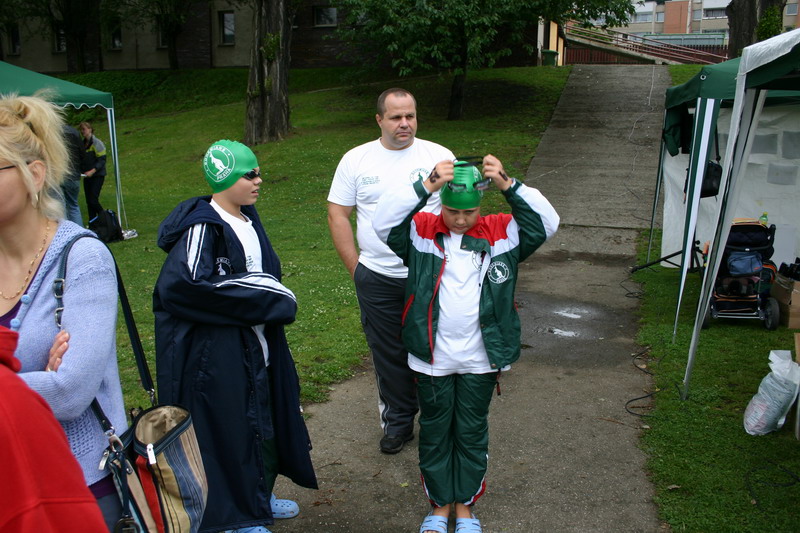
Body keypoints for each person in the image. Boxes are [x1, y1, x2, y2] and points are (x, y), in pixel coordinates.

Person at [372, 155, 559, 533]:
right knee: (436, 432)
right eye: (452, 211)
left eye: (469, 212)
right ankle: (440, 506)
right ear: (440, 203)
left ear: (481, 204)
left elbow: (548, 222)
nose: (460, 220)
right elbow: (383, 222)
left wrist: (508, 185)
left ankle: (466, 506)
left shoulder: (503, 232)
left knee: (471, 431)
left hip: (481, 358)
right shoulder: (421, 230)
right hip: (432, 358)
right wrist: (426, 185)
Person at [153, 139, 317, 532]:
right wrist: (272, 297)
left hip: (259, 345)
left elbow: (259, 275)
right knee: (230, 429)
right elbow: (183, 286)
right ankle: (236, 515)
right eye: (250, 174)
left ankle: (258, 496)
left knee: (265, 420)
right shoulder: (203, 226)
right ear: (223, 177)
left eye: (258, 172)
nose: (259, 180)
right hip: (219, 354)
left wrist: (267, 296)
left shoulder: (248, 219)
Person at [0, 93, 127, 530]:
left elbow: (71, 391)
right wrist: (37, 378)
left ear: (34, 174)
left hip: (77, 486)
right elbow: (53, 386)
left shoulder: (82, 258)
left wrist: (14, 382)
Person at [327, 87, 455, 454]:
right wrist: (356, 268)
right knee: (388, 354)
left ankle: (437, 423)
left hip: (430, 275)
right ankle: (398, 422)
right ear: (379, 119)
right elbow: (338, 214)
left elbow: (460, 214)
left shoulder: (439, 157)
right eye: (396, 117)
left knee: (436, 351)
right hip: (378, 276)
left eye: (410, 116)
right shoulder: (356, 160)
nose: (404, 123)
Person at [0, 326, 108, 533]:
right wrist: (32, 383)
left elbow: (68, 392)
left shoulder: (9, 401)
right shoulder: (9, 397)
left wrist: (17, 385)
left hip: (95, 475)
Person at [79, 121, 106, 223]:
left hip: (97, 175)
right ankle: (92, 223)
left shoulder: (97, 143)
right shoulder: (82, 144)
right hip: (86, 176)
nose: (82, 132)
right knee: (89, 202)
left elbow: (102, 160)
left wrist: (92, 171)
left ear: (90, 129)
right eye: (81, 130)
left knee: (93, 200)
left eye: (84, 129)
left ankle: (105, 217)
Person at [61, 124, 85, 226]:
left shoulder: (52, 132)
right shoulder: (74, 132)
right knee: (74, 205)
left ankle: (64, 231)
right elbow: (82, 153)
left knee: (61, 207)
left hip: (59, 174)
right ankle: (79, 232)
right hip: (74, 175)